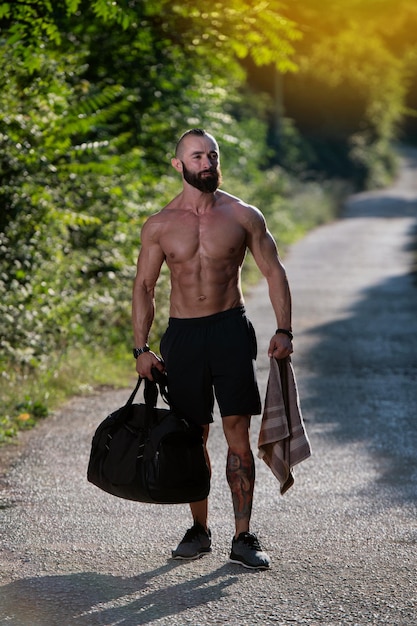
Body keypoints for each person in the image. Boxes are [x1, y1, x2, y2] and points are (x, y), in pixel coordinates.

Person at [132, 128, 293, 570]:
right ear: (178, 165)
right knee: (192, 434)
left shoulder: (243, 215)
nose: (207, 163)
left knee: (236, 430)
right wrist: (140, 348)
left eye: (212, 155)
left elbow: (274, 272)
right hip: (183, 335)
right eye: (197, 156)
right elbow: (144, 286)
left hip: (228, 329)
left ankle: (242, 536)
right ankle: (200, 529)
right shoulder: (160, 225)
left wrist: (285, 329)